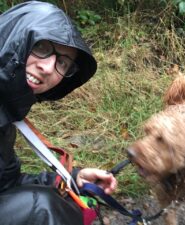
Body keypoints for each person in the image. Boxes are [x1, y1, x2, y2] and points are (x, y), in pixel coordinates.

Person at [0, 1, 117, 224]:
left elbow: (7, 184)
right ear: (14, 38)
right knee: (42, 207)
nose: (48, 67)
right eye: (42, 47)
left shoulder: (7, 116)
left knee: (62, 200)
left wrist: (72, 179)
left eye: (62, 63)